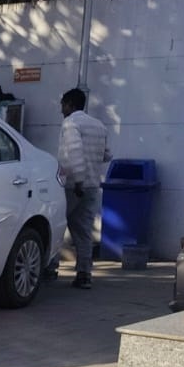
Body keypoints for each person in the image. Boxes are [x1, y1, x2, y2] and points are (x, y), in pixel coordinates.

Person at [54, 87, 112, 289]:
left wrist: (78, 179)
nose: (61, 109)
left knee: (57, 225)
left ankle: (50, 269)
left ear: (70, 104)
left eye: (63, 105)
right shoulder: (98, 125)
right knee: (83, 231)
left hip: (73, 186)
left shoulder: (70, 123)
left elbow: (75, 152)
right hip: (93, 186)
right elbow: (106, 155)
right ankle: (84, 274)